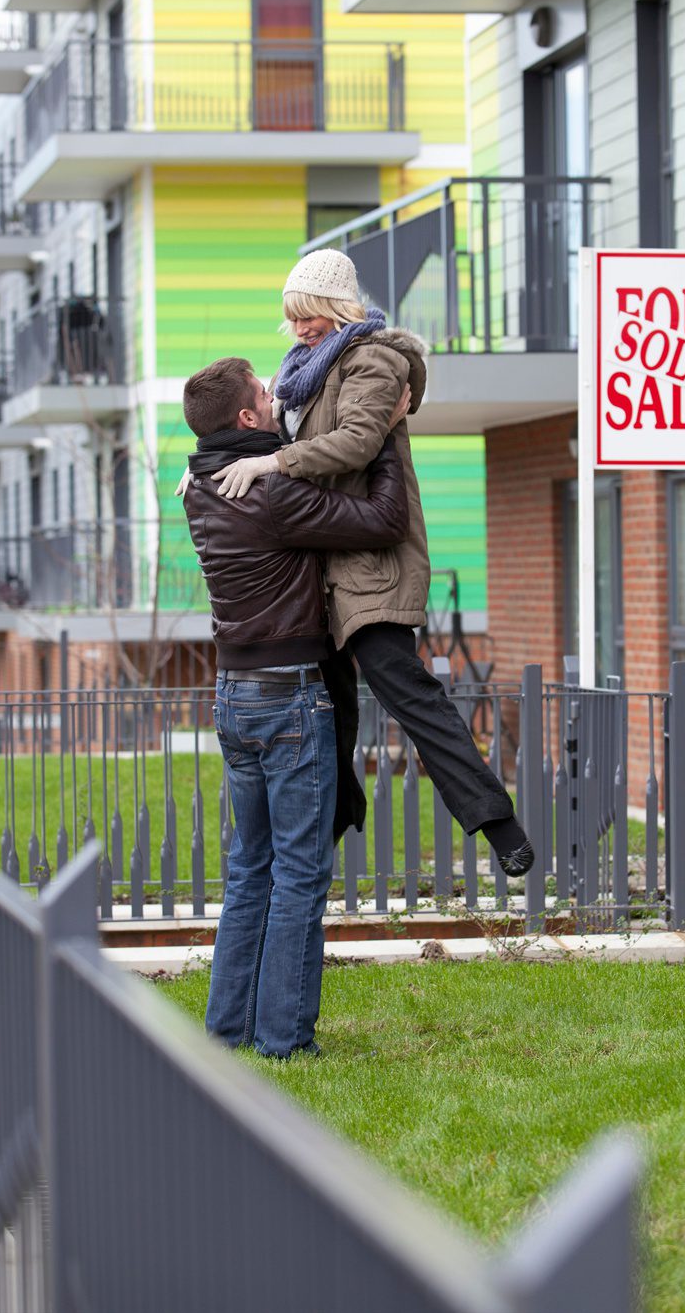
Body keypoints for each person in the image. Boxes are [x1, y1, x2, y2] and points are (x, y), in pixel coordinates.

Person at [211, 249, 535, 877]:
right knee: (329, 709)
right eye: (292, 317)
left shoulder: (371, 359)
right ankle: (331, 830)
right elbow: (261, 433)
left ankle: (500, 825)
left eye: (309, 315)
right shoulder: (302, 373)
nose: (301, 328)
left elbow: (357, 442)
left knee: (407, 692)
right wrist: (209, 467)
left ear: (338, 308)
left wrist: (271, 463)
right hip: (323, 575)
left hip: (369, 567)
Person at [180, 355, 410, 1059]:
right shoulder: (272, 495)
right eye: (263, 391)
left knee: (251, 869)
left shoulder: (199, 487)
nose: (275, 392)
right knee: (300, 876)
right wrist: (390, 437)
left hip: (233, 696)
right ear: (249, 417)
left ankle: (227, 1034)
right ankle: (284, 1043)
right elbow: (383, 519)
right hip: (288, 697)